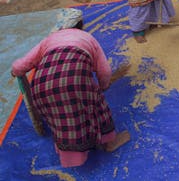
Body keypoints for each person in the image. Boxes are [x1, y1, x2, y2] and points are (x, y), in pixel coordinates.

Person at [11, 19, 130, 168]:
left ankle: (72, 158)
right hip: (74, 79)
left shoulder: (49, 40)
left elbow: (21, 65)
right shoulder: (87, 38)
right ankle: (109, 142)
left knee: (62, 119)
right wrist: (103, 86)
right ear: (81, 27)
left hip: (41, 85)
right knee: (97, 107)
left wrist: (15, 71)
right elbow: (104, 70)